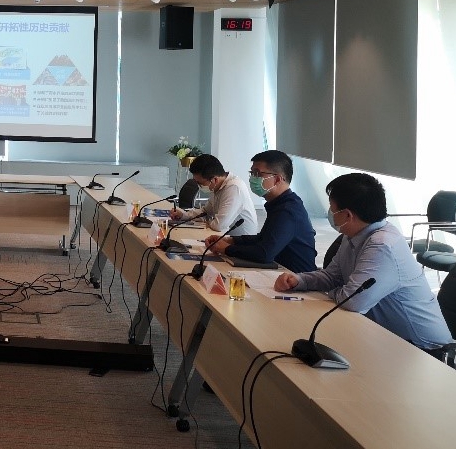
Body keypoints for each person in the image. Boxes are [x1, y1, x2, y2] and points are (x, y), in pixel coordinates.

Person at [275, 173, 453, 351]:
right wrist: (300, 280)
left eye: (332, 209)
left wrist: (335, 291)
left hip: (424, 350)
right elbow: (333, 276)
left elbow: (353, 301)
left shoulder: (383, 245)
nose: (330, 213)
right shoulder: (354, 234)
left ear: (347, 215)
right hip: (385, 338)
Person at [206, 150, 317, 273]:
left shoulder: (288, 210)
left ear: (277, 179)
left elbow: (265, 253)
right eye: (252, 173)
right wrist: (231, 240)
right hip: (278, 272)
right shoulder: (279, 203)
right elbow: (263, 238)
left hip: (295, 278)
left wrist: (227, 249)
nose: (253, 178)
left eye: (257, 174)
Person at [170, 154, 257, 235]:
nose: (198, 186)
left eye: (200, 183)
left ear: (214, 180)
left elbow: (219, 225)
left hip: (241, 241)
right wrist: (184, 215)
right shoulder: (217, 186)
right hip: (225, 236)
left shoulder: (234, 188)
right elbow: (205, 212)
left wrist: (207, 222)